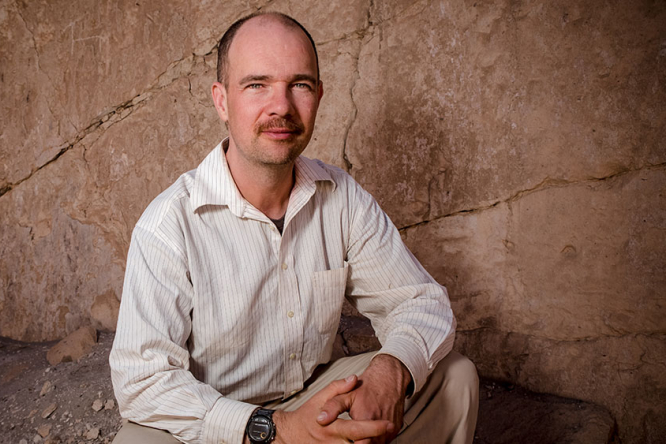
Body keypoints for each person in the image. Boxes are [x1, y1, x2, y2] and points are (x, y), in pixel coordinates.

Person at [110, 12, 479, 444]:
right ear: (221, 100)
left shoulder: (341, 196)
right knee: (137, 442)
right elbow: (142, 381)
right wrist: (276, 430)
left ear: (319, 96)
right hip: (219, 422)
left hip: (313, 402)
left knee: (454, 378)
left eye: (299, 85)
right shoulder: (169, 224)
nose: (281, 106)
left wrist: (389, 371)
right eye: (257, 85)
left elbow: (421, 302)